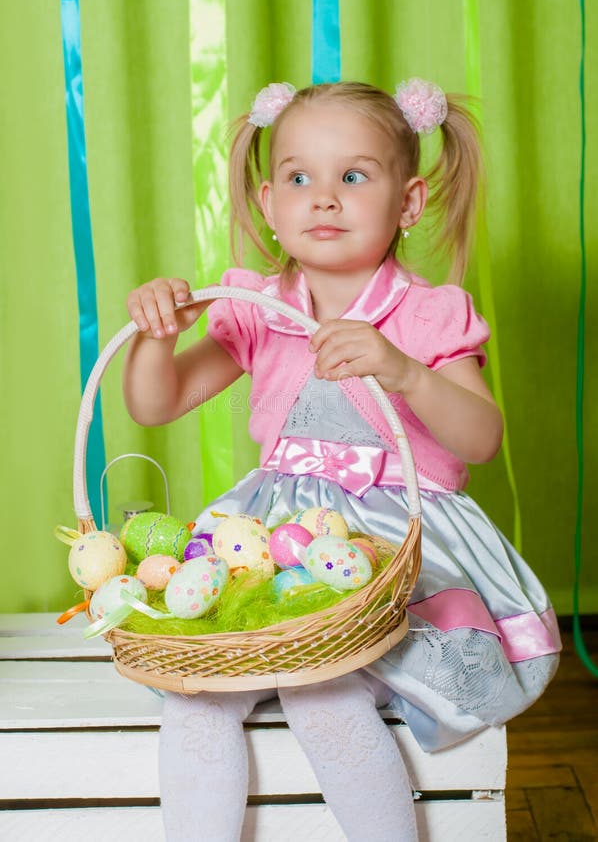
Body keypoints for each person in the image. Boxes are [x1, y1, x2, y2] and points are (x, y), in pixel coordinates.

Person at [123, 79, 561, 842]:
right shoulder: (256, 307)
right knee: (200, 694)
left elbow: (480, 438)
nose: (323, 198)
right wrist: (157, 336)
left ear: (410, 201)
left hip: (387, 543)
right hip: (271, 541)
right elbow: (155, 404)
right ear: (267, 200)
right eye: (300, 177)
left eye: (353, 176)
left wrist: (405, 371)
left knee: (321, 695)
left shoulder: (428, 315)